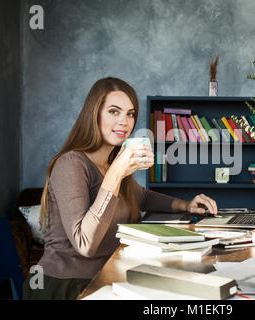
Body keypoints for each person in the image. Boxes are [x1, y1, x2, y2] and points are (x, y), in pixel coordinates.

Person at [22, 77, 218, 300]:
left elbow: (141, 196)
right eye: (114, 111)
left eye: (130, 114)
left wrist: (186, 204)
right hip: (67, 287)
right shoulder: (71, 164)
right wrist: (116, 172)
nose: (124, 122)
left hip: (110, 275)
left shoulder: (112, 161)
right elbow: (84, 244)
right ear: (93, 114)